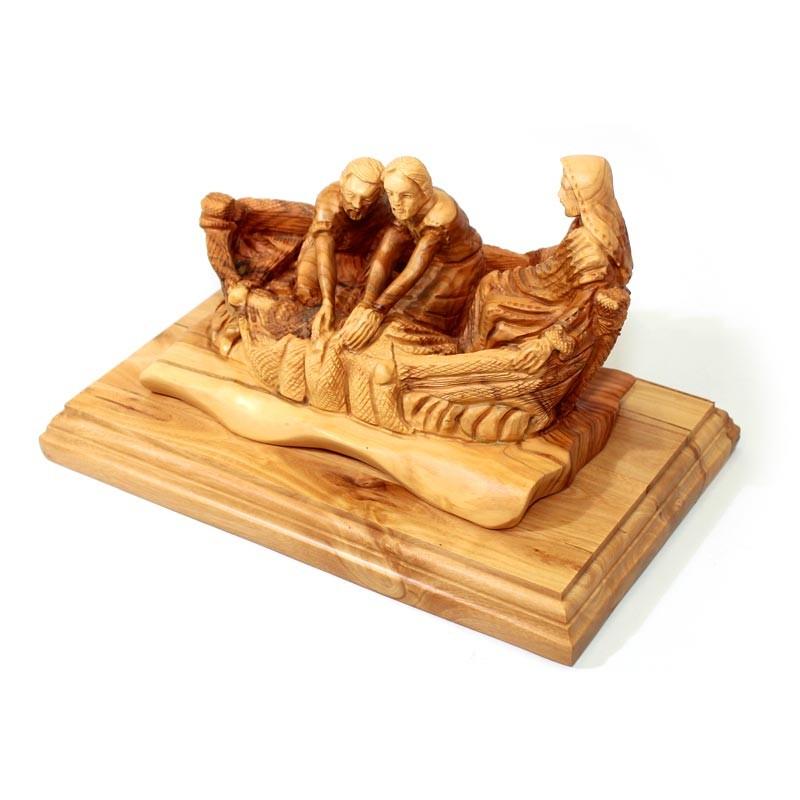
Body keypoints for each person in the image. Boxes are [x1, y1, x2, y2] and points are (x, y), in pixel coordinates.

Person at [462, 154, 632, 351]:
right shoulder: (583, 227)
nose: (560, 195)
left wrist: (559, 330)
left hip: (554, 306)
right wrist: (524, 259)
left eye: (566, 188)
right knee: (489, 282)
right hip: (546, 285)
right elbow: (558, 257)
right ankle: (465, 346)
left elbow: (581, 304)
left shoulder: (591, 249)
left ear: (584, 195)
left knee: (493, 307)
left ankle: (474, 354)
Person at [340, 156, 485, 353]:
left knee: (408, 322)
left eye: (405, 195)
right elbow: (387, 249)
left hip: (456, 267)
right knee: (373, 295)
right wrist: (367, 302)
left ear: (424, 192)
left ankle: (450, 350)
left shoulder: (439, 219)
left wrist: (377, 309)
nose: (396, 203)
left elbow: (413, 270)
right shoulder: (406, 208)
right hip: (424, 255)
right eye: (390, 194)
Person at [294, 157, 393, 337]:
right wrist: (328, 302)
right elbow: (324, 251)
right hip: (322, 251)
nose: (357, 205)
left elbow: (386, 249)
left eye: (366, 199)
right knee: (306, 292)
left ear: (379, 194)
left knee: (365, 296)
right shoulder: (328, 202)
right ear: (342, 183)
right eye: (351, 196)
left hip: (359, 255)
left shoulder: (387, 204)